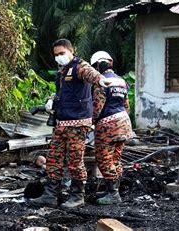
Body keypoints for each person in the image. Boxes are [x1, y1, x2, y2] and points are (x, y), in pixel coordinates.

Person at [29, 39, 124, 208]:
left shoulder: (79, 66)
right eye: (56, 55)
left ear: (71, 51)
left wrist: (101, 79)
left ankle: (77, 196)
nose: (59, 57)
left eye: (61, 53)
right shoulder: (63, 72)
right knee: (53, 159)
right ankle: (51, 195)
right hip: (62, 122)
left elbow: (90, 73)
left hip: (78, 123)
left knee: (75, 160)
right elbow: (63, 94)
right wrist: (52, 100)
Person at [90, 51, 132, 205]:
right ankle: (113, 190)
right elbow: (126, 106)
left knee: (104, 159)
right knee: (116, 159)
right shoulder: (121, 81)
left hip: (108, 125)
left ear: (97, 66)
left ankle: (113, 194)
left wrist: (90, 122)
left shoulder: (101, 81)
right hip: (124, 123)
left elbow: (97, 106)